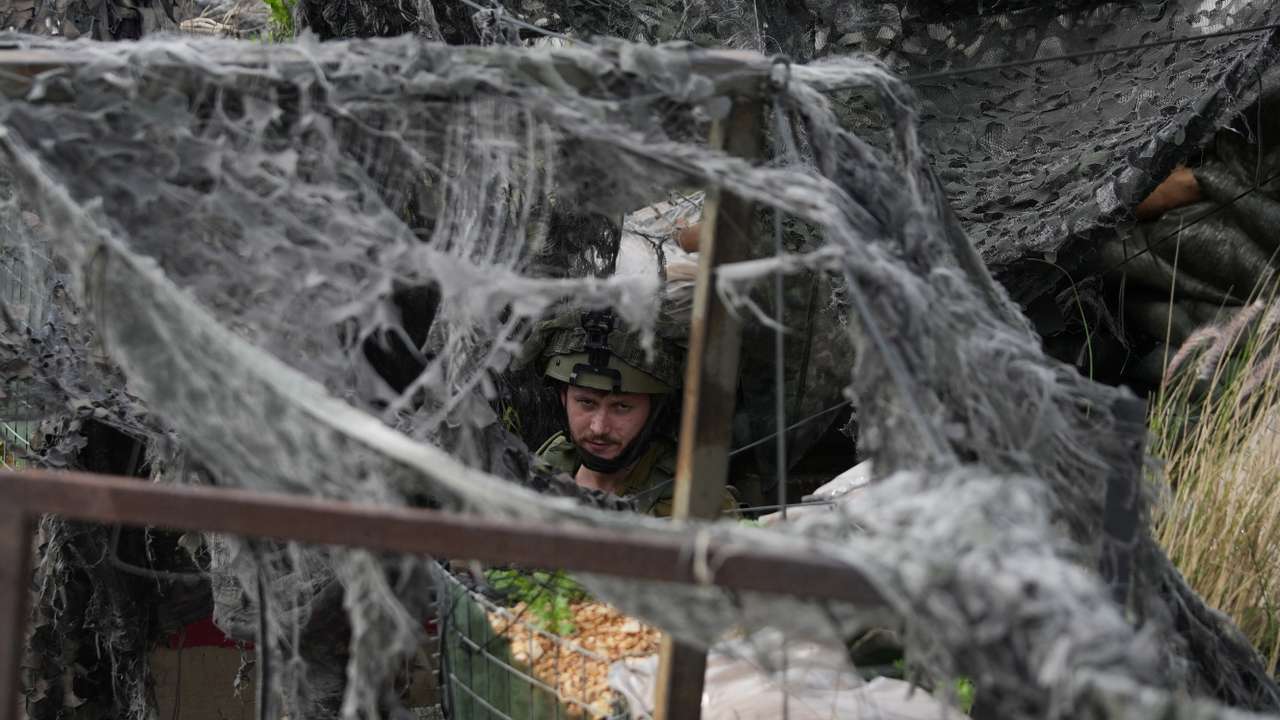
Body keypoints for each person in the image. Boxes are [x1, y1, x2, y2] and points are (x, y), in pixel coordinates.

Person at [533, 310, 737, 517]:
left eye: (621, 407)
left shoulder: (694, 501)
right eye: (587, 403)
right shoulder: (551, 459)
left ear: (656, 410)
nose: (599, 427)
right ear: (563, 398)